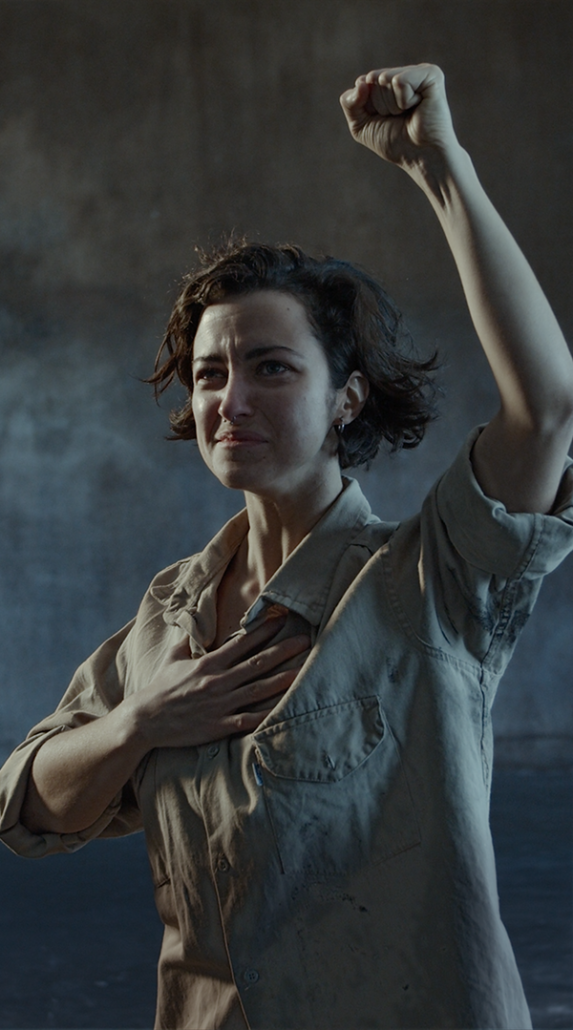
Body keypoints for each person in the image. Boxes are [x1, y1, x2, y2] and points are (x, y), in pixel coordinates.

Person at [1, 63, 572, 1030]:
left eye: (271, 368)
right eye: (209, 374)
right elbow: (27, 804)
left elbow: (547, 407)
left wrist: (441, 168)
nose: (230, 400)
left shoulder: (428, 579)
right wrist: (141, 724)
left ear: (345, 398)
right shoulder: (169, 617)